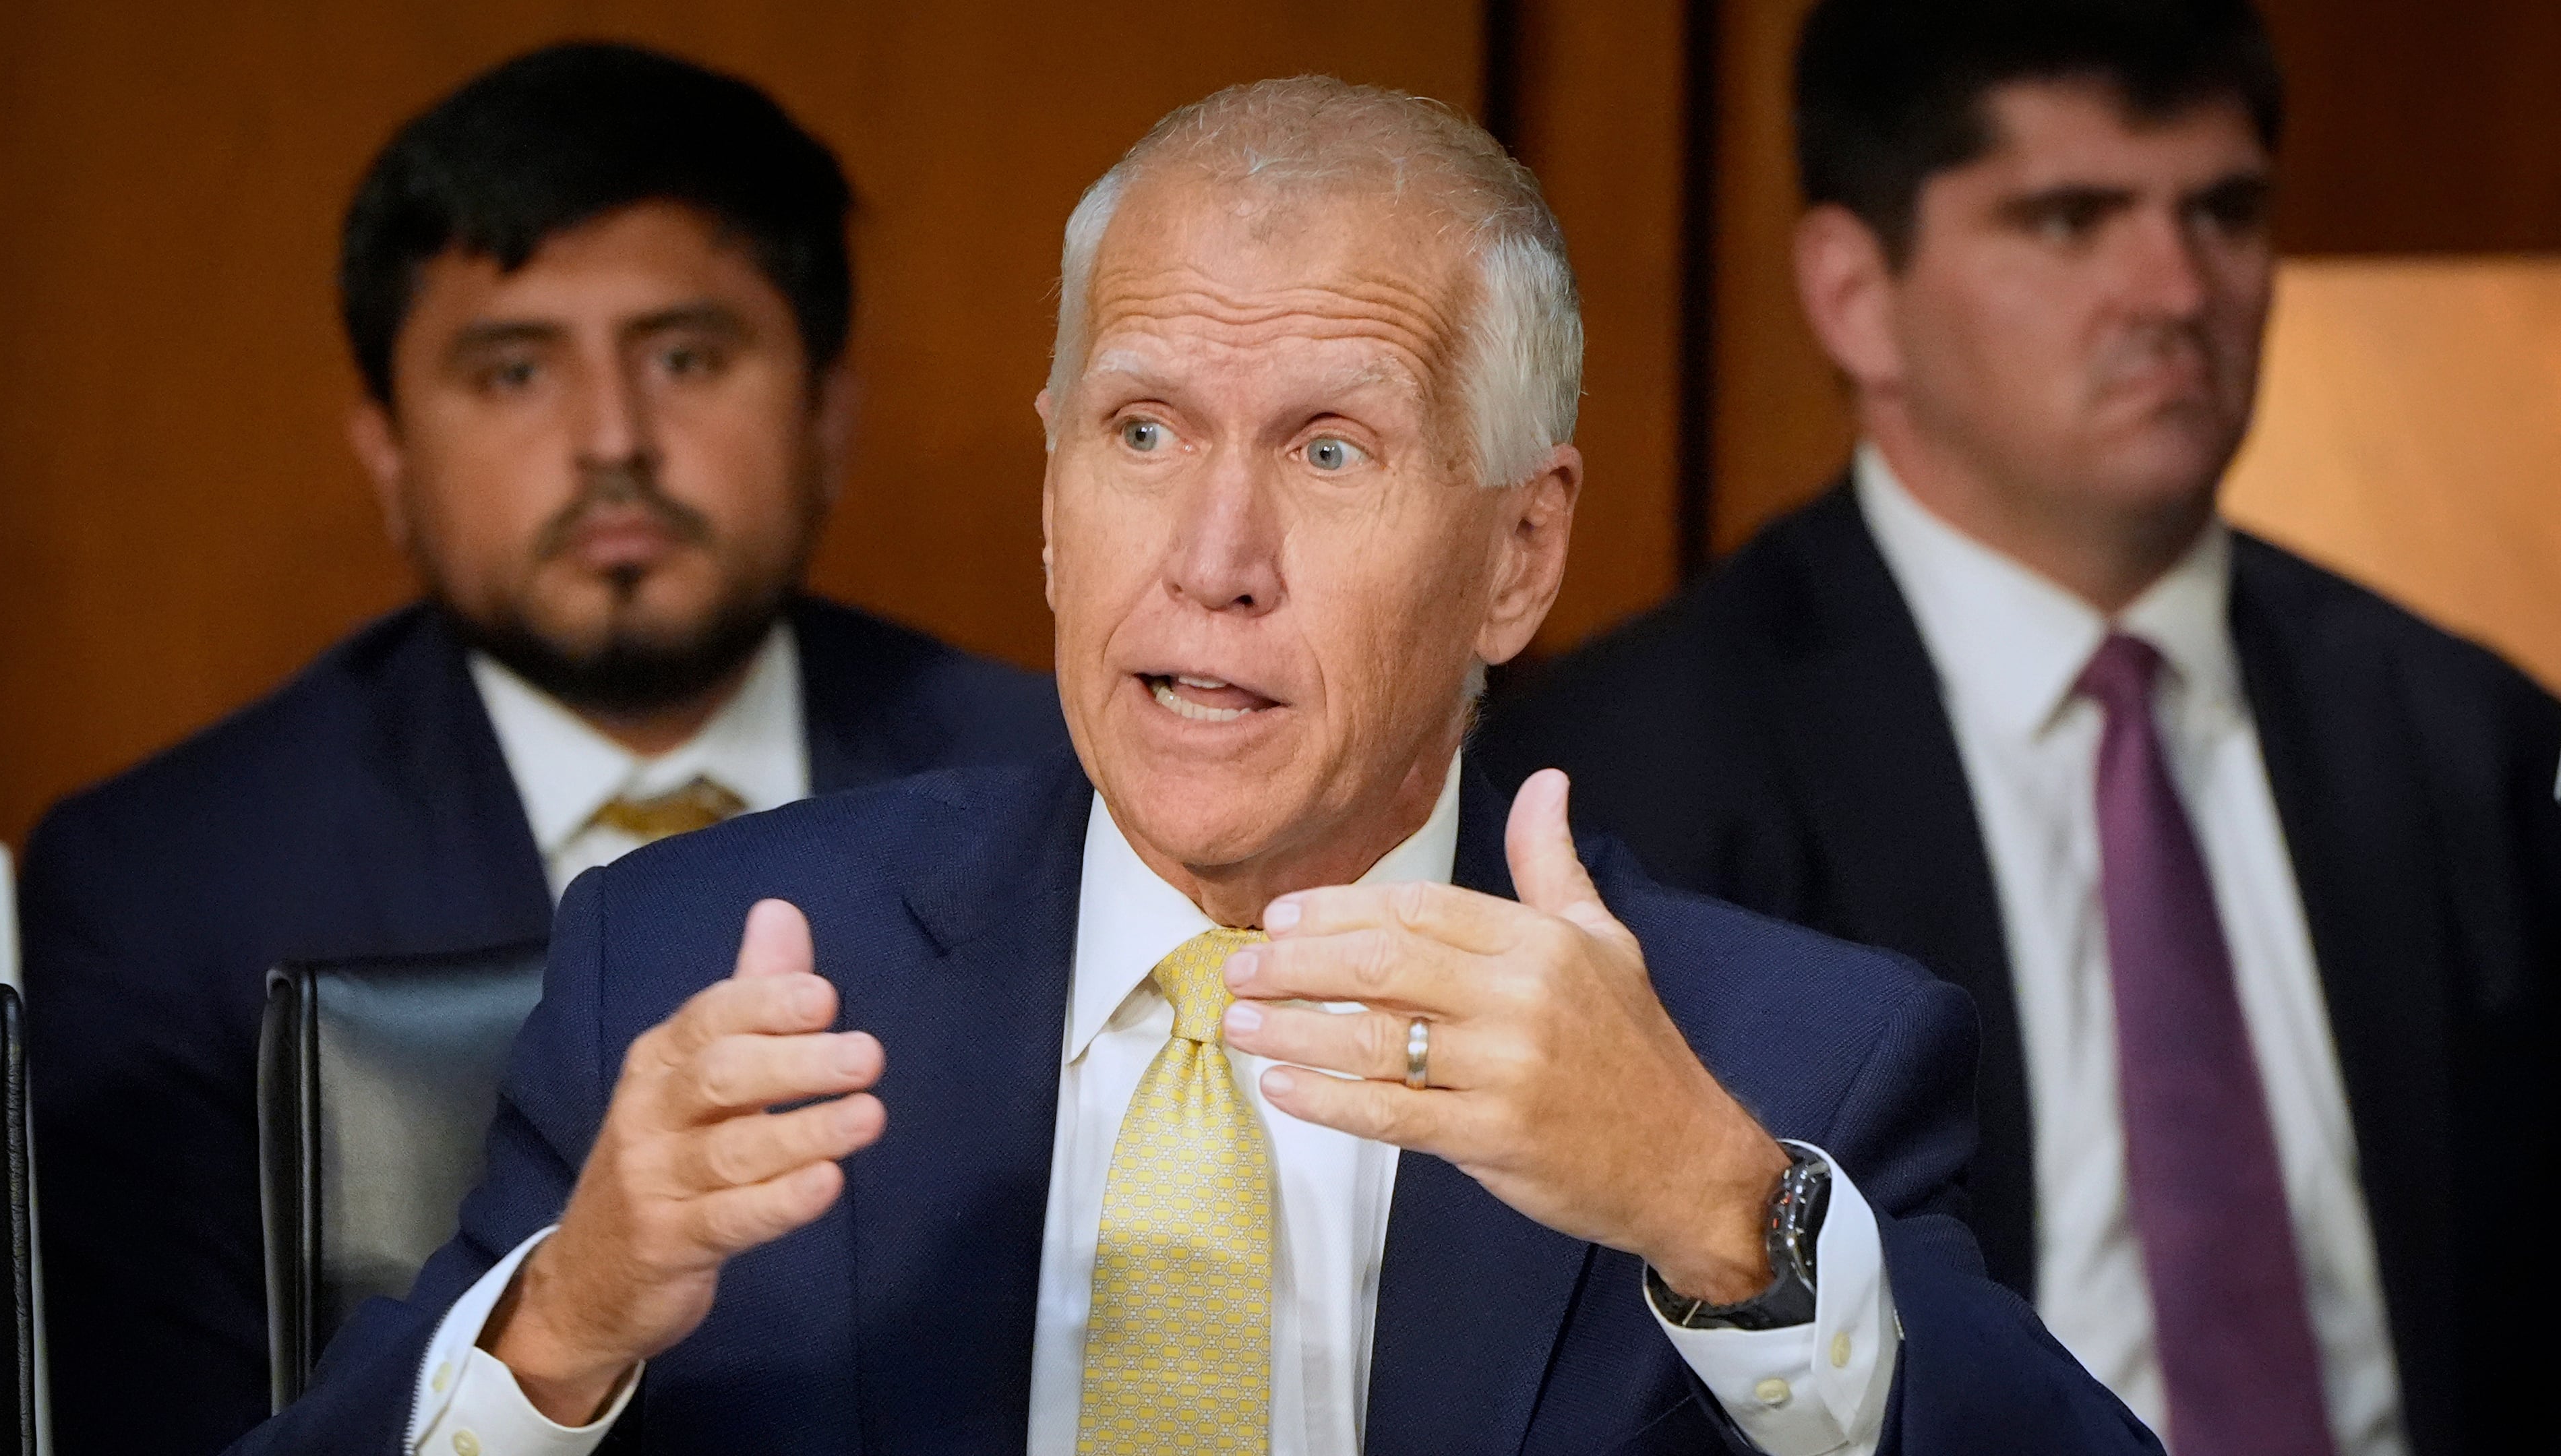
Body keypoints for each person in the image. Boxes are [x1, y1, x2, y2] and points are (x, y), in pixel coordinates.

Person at [229, 76, 2156, 1456]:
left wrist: (1729, 1220)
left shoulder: (1780, 1062)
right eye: (1143, 433)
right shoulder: (697, 962)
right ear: (1058, 501)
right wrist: (564, 1332)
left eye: (1330, 449)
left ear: (1520, 552)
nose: (1210, 557)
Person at [1480, 3, 2561, 1453]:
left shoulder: (2463, 736)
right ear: (1855, 291)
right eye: (2071, 219)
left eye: (2224, 211)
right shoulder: (1632, 775)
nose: (2176, 286)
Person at [18, 42, 1064, 1455]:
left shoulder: (1066, 783)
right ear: (386, 451)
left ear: (826, 412)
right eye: (513, 372)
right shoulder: (166, 891)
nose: (613, 441)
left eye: (687, 356)